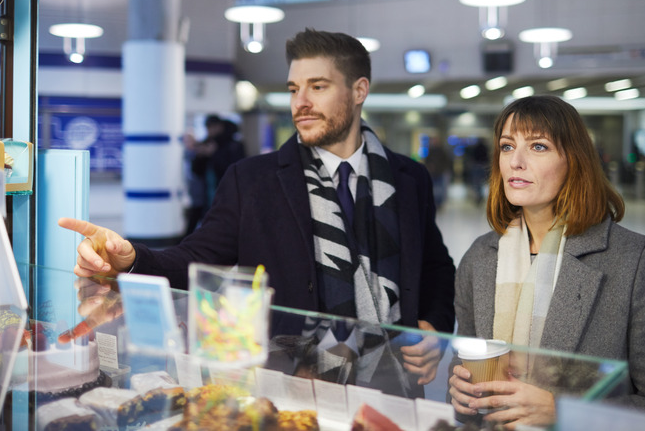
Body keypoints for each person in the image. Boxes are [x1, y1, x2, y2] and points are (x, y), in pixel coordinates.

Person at [58, 28, 455, 386]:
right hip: (292, 379)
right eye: (293, 88)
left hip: (393, 380)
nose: (300, 102)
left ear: (359, 90)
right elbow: (196, 257)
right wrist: (131, 259)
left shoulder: (408, 178)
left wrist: (433, 327)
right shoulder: (252, 180)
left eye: (317, 87)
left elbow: (435, 267)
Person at [448, 96, 645, 429]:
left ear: (575, 161)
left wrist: (565, 413)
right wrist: (461, 397)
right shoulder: (481, 258)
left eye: (538, 147)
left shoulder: (638, 263)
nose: (516, 162)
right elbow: (465, 380)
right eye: (507, 147)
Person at [423, 136, 453, 209]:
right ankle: (434, 202)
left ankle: (439, 203)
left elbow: (447, 161)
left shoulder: (442, 151)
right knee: (433, 189)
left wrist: (443, 169)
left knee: (440, 189)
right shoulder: (430, 151)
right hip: (432, 173)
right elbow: (427, 160)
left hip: (440, 172)